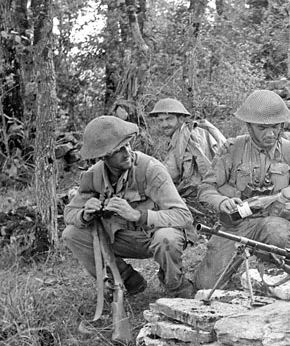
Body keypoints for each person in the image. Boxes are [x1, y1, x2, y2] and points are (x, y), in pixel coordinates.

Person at [193, 89, 290, 289]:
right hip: (234, 226)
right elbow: (206, 189)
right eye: (262, 128)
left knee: (278, 233)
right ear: (249, 126)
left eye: (275, 127)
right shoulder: (232, 149)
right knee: (206, 285)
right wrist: (222, 202)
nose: (270, 134)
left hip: (273, 222)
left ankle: (271, 272)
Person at [62, 116, 196, 300]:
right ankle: (126, 279)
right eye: (118, 150)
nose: (126, 152)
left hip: (154, 236)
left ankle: (176, 285)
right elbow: (69, 213)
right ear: (103, 156)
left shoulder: (150, 169)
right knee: (72, 234)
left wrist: (138, 215)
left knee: (167, 239)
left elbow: (183, 216)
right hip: (120, 238)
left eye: (127, 145)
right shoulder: (93, 176)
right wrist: (85, 214)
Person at [148, 98, 227, 204]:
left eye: (169, 119)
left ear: (181, 119)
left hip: (200, 193)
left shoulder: (187, 137)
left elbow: (172, 173)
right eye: (161, 120)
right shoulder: (185, 134)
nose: (164, 124)